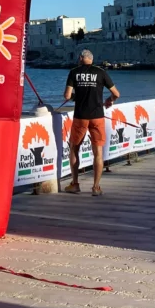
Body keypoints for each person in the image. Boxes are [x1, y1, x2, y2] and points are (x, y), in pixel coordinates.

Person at [62, 49, 119, 197]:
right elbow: (116, 94)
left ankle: (75, 184)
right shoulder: (101, 72)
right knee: (98, 152)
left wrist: (77, 97)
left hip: (81, 116)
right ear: (91, 59)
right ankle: (96, 187)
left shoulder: (74, 72)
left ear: (81, 58)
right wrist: (109, 101)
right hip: (97, 116)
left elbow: (67, 95)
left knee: (74, 149)